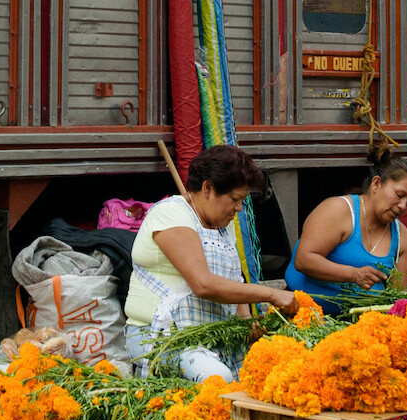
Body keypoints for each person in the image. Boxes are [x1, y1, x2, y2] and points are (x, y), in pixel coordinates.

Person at [127, 145, 297, 380]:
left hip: (213, 335)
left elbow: (234, 281)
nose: (239, 209)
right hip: (161, 336)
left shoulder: (222, 226)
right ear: (207, 188)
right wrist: (270, 294)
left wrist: (247, 322)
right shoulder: (171, 214)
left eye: (242, 201)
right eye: (235, 199)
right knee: (217, 377)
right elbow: (203, 284)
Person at [284, 147, 407, 306]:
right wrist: (353, 274)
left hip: (361, 323)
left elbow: (398, 301)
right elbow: (303, 260)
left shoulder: (401, 236)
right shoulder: (339, 211)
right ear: (376, 184)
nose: (403, 206)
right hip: (305, 313)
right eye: (399, 195)